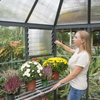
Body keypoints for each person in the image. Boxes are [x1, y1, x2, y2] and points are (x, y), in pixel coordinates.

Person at [51, 30, 91, 100]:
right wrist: (60, 44)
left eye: (75, 37)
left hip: (77, 88)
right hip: (75, 86)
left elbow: (74, 74)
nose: (73, 39)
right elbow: (69, 50)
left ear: (82, 41)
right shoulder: (78, 50)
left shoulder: (83, 55)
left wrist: (59, 82)